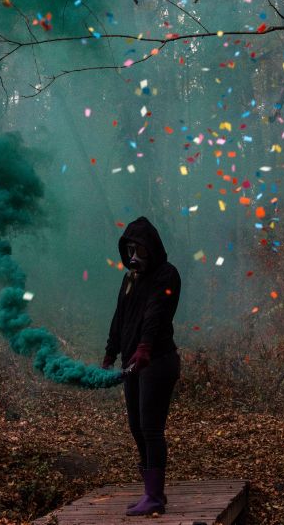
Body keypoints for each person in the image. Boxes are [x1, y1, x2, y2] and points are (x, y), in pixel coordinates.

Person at [102, 216, 181, 516]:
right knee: (136, 426)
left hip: (158, 360)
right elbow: (120, 316)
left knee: (150, 428)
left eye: (141, 250)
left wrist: (145, 346)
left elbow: (156, 312)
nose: (135, 257)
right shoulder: (130, 279)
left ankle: (155, 497)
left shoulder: (166, 275)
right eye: (131, 250)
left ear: (153, 249)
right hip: (132, 362)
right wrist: (111, 353)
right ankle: (150, 492)